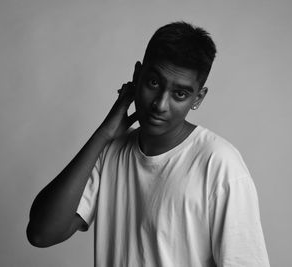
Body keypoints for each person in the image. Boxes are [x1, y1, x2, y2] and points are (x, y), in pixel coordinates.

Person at [26, 21, 270, 267]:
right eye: (154, 83)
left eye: (180, 94)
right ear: (137, 76)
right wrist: (102, 134)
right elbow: (41, 234)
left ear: (198, 98)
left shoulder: (220, 165)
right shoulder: (111, 149)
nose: (160, 104)